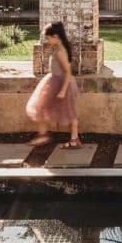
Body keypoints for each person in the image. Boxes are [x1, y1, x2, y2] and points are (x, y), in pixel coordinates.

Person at [25, 21, 82, 149]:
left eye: (48, 38)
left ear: (56, 36)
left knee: (44, 108)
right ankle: (69, 138)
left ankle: (48, 136)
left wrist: (62, 90)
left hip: (60, 83)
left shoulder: (60, 51)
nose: (47, 40)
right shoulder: (58, 48)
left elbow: (68, 72)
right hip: (57, 81)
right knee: (64, 110)